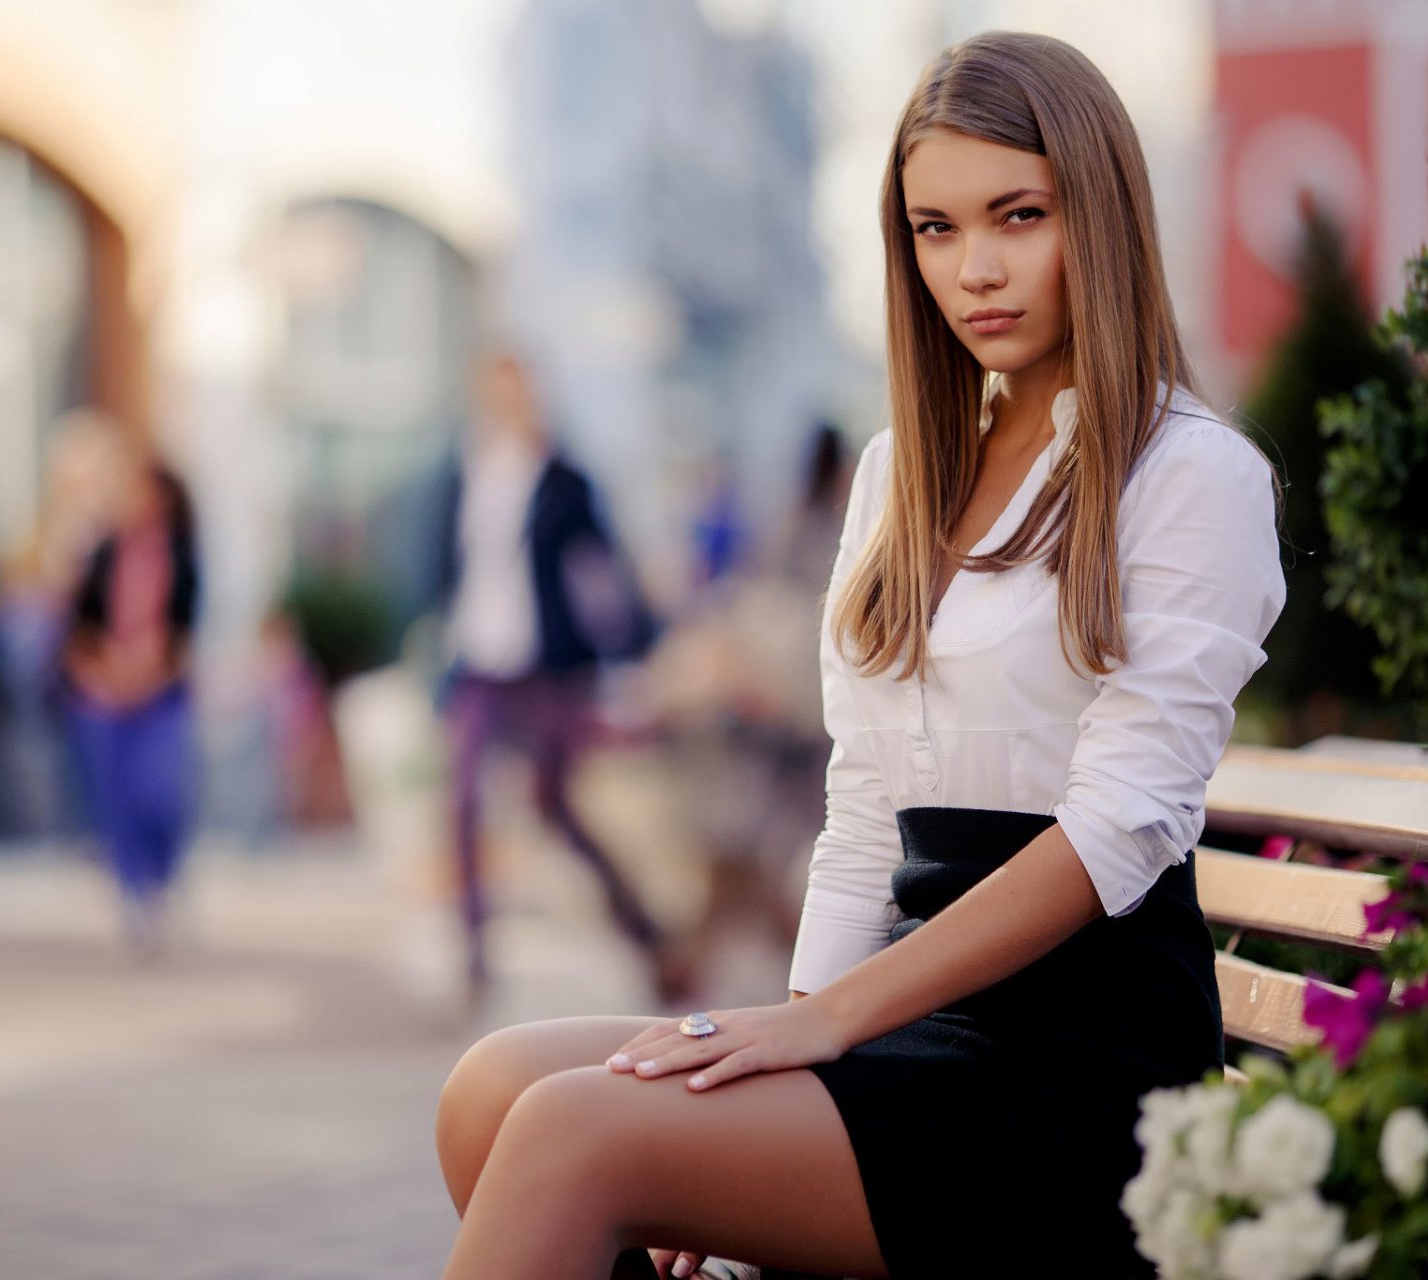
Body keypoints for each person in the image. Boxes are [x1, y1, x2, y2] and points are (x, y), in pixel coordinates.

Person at [432, 31, 1285, 1280]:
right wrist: (791, 1029)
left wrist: (827, 1020)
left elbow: (1117, 834)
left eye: (1018, 215)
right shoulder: (901, 474)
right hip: (913, 1026)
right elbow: (865, 815)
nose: (975, 268)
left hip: (1087, 1070)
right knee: (493, 1084)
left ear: (1094, 213)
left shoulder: (1191, 472)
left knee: (573, 1128)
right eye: (935, 229)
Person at [435, 351, 690, 1010]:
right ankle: (474, 960)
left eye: (515, 394)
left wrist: (627, 654)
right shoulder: (468, 475)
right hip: (480, 665)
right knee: (462, 804)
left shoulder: (566, 480)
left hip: (547, 668)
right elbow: (453, 567)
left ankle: (645, 934)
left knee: (557, 808)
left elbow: (599, 573)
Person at [60, 455, 201, 956]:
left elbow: (185, 633)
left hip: (159, 692)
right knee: (115, 800)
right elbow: (79, 625)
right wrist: (102, 672)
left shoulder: (182, 555)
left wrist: (149, 673)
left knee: (159, 793)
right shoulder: (103, 551)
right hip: (104, 695)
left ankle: (162, 879)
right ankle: (133, 894)